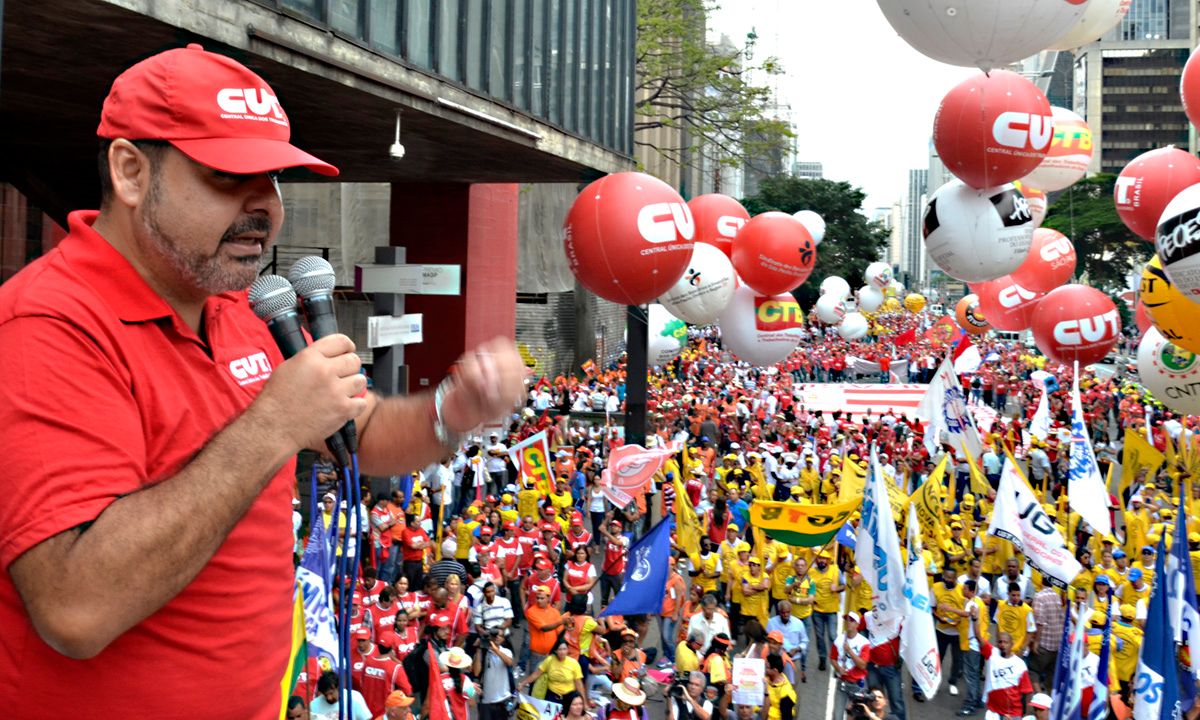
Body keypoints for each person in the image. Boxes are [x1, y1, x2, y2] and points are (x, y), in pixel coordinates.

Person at [0, 44, 528, 717]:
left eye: (274, 175)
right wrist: (271, 425)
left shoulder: (245, 305)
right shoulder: (46, 323)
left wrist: (452, 410)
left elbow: (354, 427)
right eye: (228, 174)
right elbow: (75, 607)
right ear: (131, 171)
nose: (265, 205)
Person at [830, 612, 871, 720]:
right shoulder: (839, 640)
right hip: (842, 683)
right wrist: (838, 668)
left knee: (855, 716)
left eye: (852, 620)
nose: (848, 622)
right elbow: (832, 658)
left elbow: (862, 665)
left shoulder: (864, 643)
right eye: (847, 620)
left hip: (857, 685)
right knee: (837, 716)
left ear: (857, 624)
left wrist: (849, 651)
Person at [764, 653, 797, 720]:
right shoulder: (768, 678)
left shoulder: (786, 694)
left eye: (767, 668)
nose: (764, 669)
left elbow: (786, 717)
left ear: (775, 670)